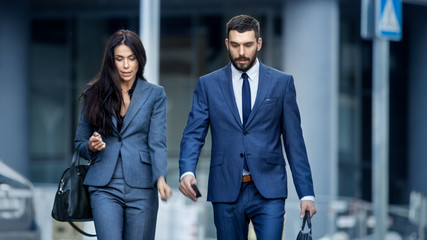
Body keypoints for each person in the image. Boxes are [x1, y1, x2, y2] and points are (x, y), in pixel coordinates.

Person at [178, 15, 316, 239]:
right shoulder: (208, 85)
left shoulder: (282, 83)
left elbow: (294, 143)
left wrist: (306, 194)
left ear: (259, 44)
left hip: (269, 190)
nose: (241, 52)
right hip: (225, 189)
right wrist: (187, 170)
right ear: (226, 44)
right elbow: (194, 134)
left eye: (248, 45)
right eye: (235, 45)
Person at [74, 29, 172, 240]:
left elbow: (157, 142)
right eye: (120, 59)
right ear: (112, 61)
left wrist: (161, 177)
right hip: (104, 187)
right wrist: (90, 146)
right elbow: (79, 142)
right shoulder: (94, 92)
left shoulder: (155, 95)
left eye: (131, 58)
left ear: (140, 60)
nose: (126, 65)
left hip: (143, 186)